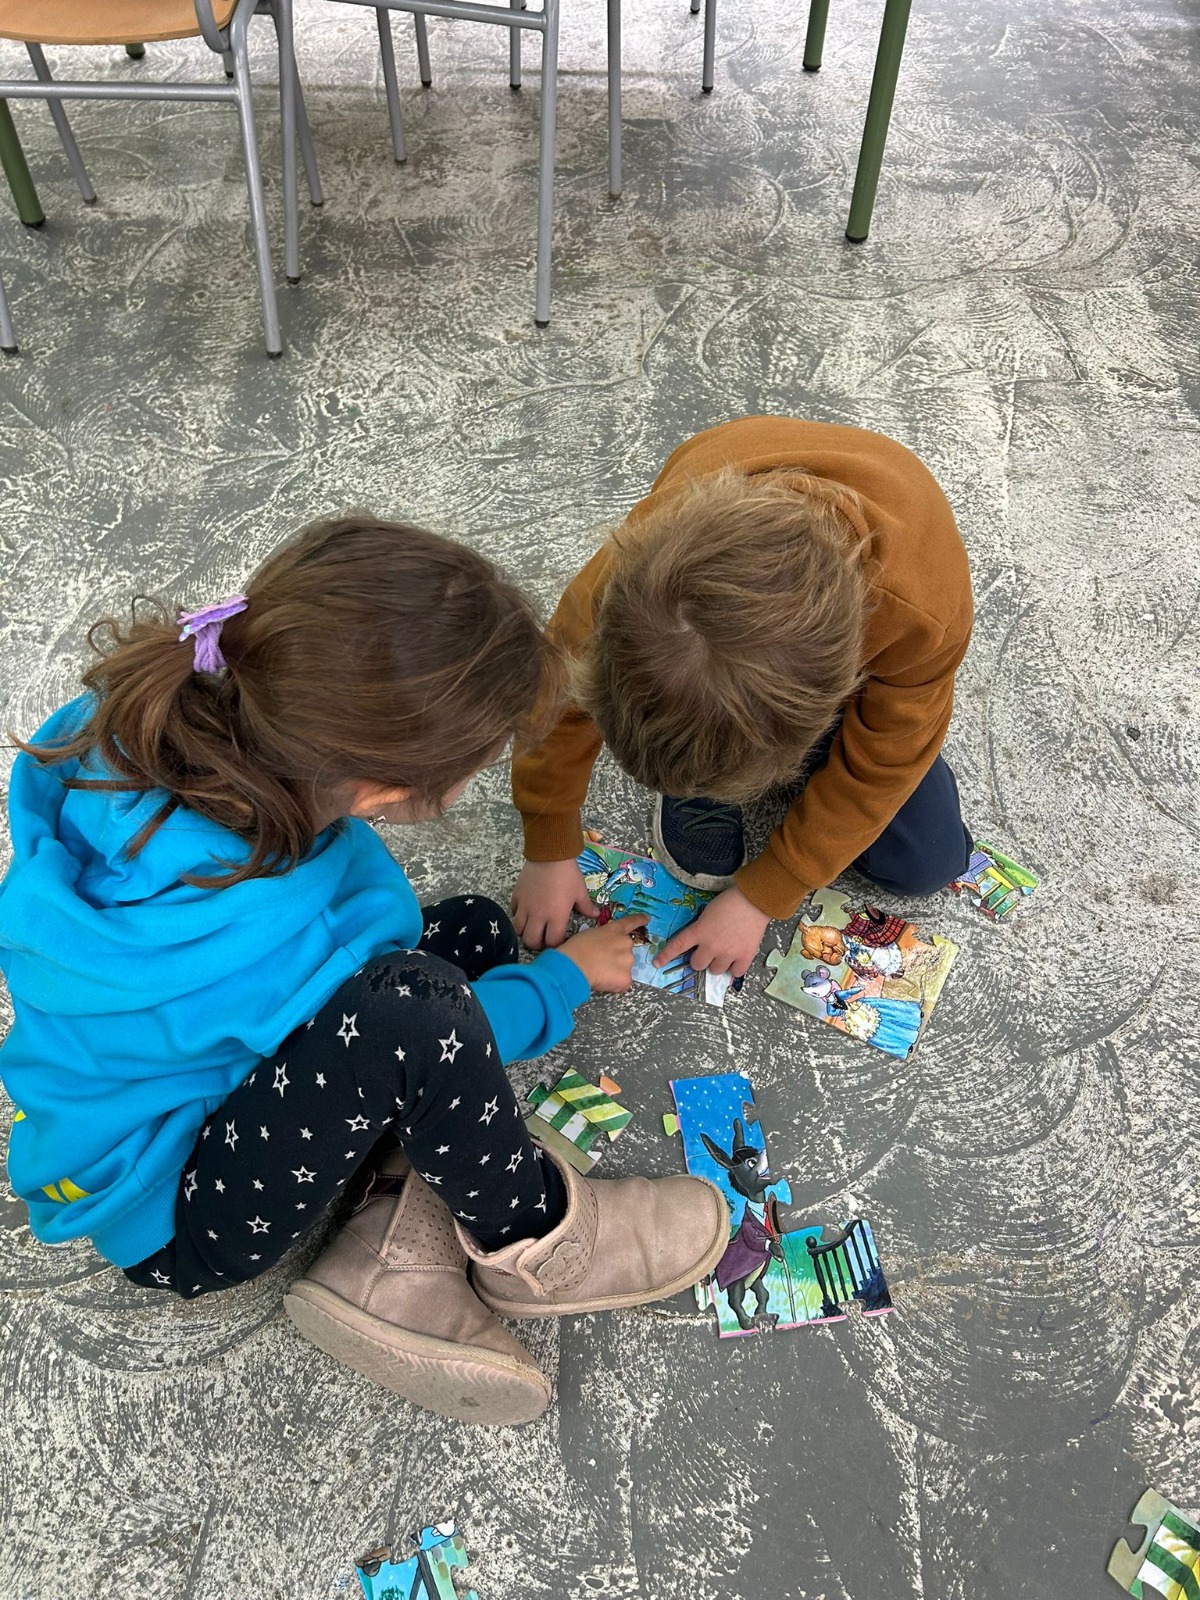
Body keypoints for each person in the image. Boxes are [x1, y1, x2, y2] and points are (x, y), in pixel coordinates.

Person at [0, 516, 727, 1427]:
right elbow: (424, 1030)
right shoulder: (284, 925)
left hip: (167, 1095)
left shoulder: (156, 722)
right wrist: (564, 980)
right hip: (181, 1216)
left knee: (472, 929)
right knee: (421, 1012)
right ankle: (540, 1242)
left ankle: (388, 1255)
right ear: (384, 788)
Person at [510, 416, 975, 977]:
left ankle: (731, 751)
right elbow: (556, 689)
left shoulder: (923, 614)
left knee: (929, 863)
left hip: (890, 592)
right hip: (722, 497)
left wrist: (765, 894)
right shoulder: (628, 575)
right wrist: (549, 839)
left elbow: (886, 764)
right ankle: (713, 750)